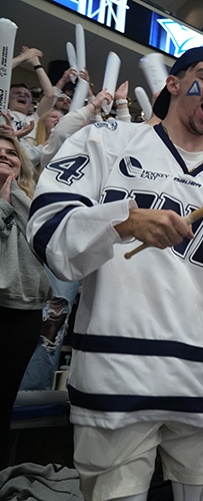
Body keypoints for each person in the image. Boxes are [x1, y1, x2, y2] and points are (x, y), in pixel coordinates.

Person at [27, 47, 203, 500]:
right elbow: (47, 233)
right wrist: (122, 223)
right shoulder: (106, 140)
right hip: (116, 381)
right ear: (174, 83)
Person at [0, 133, 50, 468]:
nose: (5, 156)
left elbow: (43, 239)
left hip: (22, 315)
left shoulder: (33, 201)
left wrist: (12, 193)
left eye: (11, 153)